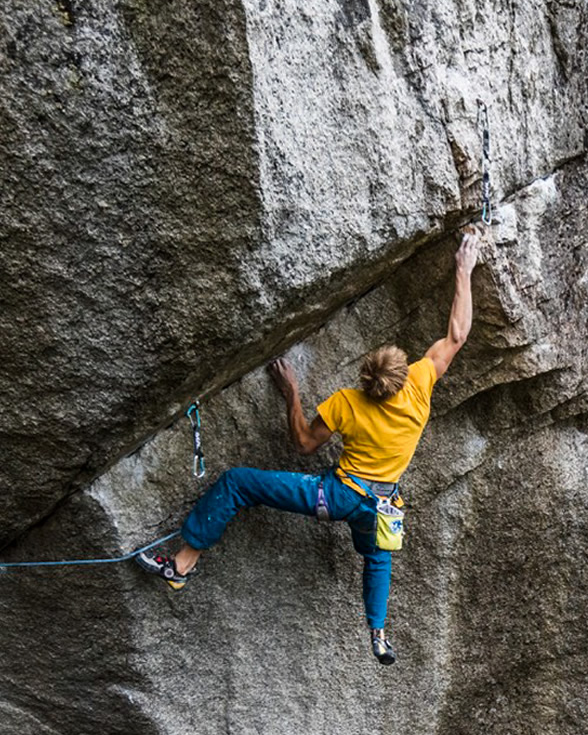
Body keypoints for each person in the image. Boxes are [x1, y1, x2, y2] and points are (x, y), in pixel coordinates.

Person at [136, 227, 480, 664]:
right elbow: (457, 335)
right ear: (401, 375)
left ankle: (183, 563)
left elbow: (301, 443)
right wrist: (463, 269)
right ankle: (378, 631)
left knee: (239, 483)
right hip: (383, 504)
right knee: (378, 557)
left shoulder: (348, 403)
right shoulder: (419, 386)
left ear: (368, 380)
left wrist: (291, 393)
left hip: (336, 497)